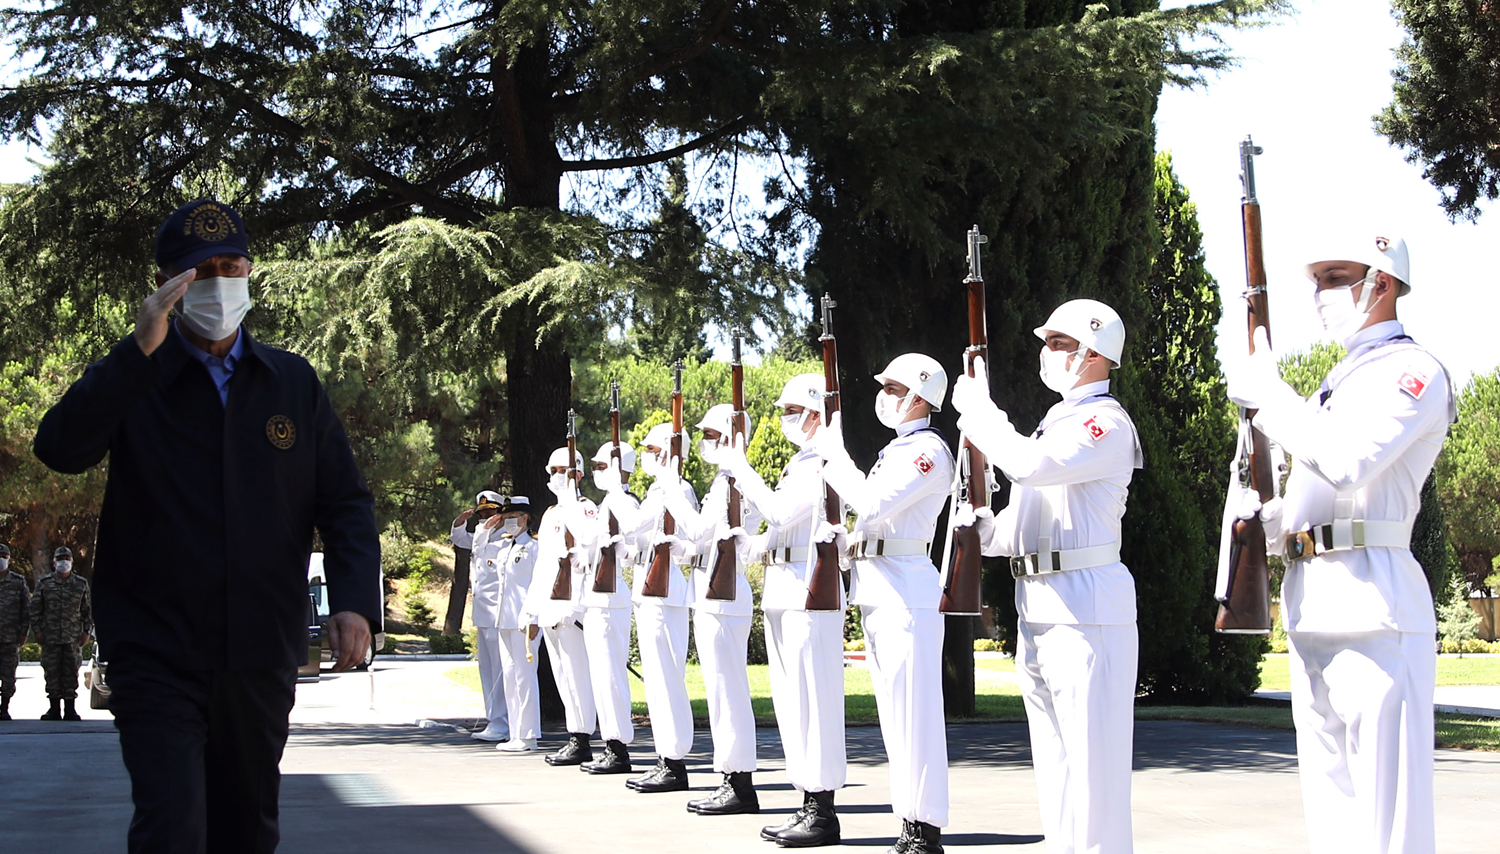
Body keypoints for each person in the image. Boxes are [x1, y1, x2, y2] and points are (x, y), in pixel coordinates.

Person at [33, 199, 382, 854]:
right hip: (156, 649)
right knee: (173, 824)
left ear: (249, 272)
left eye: (232, 265)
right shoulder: (136, 378)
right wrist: (138, 351)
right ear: (169, 284)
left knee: (244, 829)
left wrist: (356, 602)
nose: (219, 282)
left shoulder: (290, 382)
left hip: (257, 648)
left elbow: (344, 503)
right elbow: (59, 447)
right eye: (201, 271)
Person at [1223, 234, 1453, 854]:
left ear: (1380, 281)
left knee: (1390, 820)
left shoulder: (1413, 369)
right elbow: (1316, 493)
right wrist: (1265, 520)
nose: (1320, 292)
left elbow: (1349, 460)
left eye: (1334, 276)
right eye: (1317, 279)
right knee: (1332, 817)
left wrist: (1272, 395)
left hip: (1373, 604)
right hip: (1313, 604)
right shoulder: (1340, 378)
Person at [952, 298, 1142, 854]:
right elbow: (1029, 523)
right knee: (1057, 778)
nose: (1046, 352)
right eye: (1048, 341)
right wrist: (985, 530)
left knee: (1094, 783)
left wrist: (981, 413)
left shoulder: (1102, 423)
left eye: (1059, 343)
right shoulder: (1056, 424)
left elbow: (1031, 466)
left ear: (1094, 353)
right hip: (1039, 605)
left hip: (1087, 613)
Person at [809, 355, 953, 854]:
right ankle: (909, 823)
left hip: (907, 595)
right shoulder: (898, 450)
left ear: (918, 396)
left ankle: (926, 827)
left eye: (892, 388)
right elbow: (877, 522)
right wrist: (848, 541)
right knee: (896, 720)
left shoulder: (929, 450)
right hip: (881, 593)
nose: (884, 395)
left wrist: (835, 456)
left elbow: (872, 502)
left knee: (917, 718)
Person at [716, 374, 847, 847]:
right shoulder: (800, 462)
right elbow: (779, 529)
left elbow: (777, 509)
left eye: (792, 410)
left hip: (812, 590)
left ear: (817, 413)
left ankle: (822, 807)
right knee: (792, 704)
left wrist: (742, 468)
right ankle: (806, 798)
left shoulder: (825, 463)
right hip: (784, 585)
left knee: (817, 702)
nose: (785, 419)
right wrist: (750, 545)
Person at [660, 404, 764, 815]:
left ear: (727, 437)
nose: (703, 442)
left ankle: (738, 782)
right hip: (711, 587)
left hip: (724, 594)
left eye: (709, 435)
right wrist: (687, 551)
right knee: (721, 691)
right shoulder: (725, 481)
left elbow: (703, 528)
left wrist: (670, 489)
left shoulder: (733, 482)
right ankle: (731, 777)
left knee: (728, 691)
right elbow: (705, 539)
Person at [626, 421, 700, 794]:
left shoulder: (678, 489)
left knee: (668, 677)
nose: (647, 456)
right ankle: (664, 757)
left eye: (653, 451)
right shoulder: (658, 490)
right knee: (655, 679)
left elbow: (689, 538)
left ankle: (675, 761)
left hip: (666, 588)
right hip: (648, 585)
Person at [523, 446, 600, 767]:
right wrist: (532, 610)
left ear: (577, 474)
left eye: (560, 471)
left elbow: (589, 557)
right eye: (551, 471)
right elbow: (542, 566)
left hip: (572, 607)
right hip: (551, 606)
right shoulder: (552, 513)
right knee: (562, 674)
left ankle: (582, 737)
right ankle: (574, 735)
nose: (553, 477)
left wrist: (578, 606)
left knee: (578, 673)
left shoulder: (585, 509)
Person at [578, 440, 643, 775]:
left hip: (612, 596)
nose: (596, 472)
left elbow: (635, 547)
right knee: (600, 675)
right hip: (597, 596)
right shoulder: (607, 503)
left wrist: (620, 548)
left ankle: (618, 747)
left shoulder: (626, 502)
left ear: (622, 469)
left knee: (611, 674)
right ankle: (610, 743)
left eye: (602, 467)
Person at [479, 496, 543, 753]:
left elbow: (539, 585)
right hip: (504, 620)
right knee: (509, 677)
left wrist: (535, 617)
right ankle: (515, 732)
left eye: (512, 516)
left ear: (525, 517)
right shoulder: (505, 547)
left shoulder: (535, 547)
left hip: (525, 621)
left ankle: (528, 735)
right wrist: (484, 530)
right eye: (504, 517)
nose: (507, 522)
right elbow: (479, 552)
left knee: (525, 677)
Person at [450, 490, 512, 741]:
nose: (485, 518)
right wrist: (459, 522)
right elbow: (460, 538)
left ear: (500, 514)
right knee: (487, 670)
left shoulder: (506, 539)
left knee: (500, 670)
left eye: (490, 513)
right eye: (482, 514)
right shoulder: (482, 537)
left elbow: (475, 543)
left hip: (500, 613)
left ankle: (503, 722)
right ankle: (494, 720)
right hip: (484, 613)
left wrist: (484, 528)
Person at [31, 547, 93, 721]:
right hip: (50, 637)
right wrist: (37, 631)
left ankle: (70, 709)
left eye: (67, 558)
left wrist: (86, 631)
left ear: (72, 561)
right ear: (54, 562)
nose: (64, 562)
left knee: (71, 672)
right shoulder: (44, 583)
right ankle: (54, 709)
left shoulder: (80, 584)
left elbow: (87, 610)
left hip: (72, 638)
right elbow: (35, 609)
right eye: (60, 558)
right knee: (51, 673)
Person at [0, 543, 31, 720]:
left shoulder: (18, 582)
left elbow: (26, 609)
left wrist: (23, 632)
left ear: (9, 559)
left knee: (8, 674)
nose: (1, 559)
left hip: (10, 637)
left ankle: (4, 707)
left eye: (4, 556)